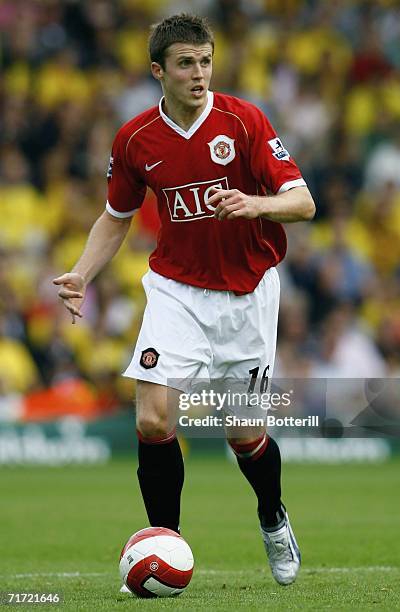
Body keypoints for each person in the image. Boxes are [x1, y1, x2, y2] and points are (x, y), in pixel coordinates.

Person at [53, 14, 315, 587]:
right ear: (158, 71)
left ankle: (272, 516)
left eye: (205, 61)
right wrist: (82, 273)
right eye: (185, 64)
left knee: (242, 434)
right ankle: (164, 547)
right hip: (175, 291)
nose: (199, 74)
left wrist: (255, 204)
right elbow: (115, 218)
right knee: (151, 418)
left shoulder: (243, 121)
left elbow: (303, 202)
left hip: (246, 295)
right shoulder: (135, 139)